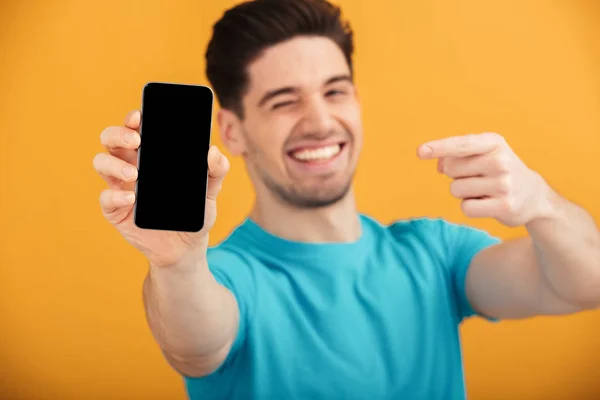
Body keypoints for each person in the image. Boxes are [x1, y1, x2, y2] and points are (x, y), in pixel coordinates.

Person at [92, 0, 600, 398]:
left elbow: (585, 283)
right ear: (233, 130)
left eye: (335, 91)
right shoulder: (225, 277)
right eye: (284, 100)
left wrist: (542, 204)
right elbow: (194, 347)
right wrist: (178, 265)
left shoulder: (436, 254)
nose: (319, 121)